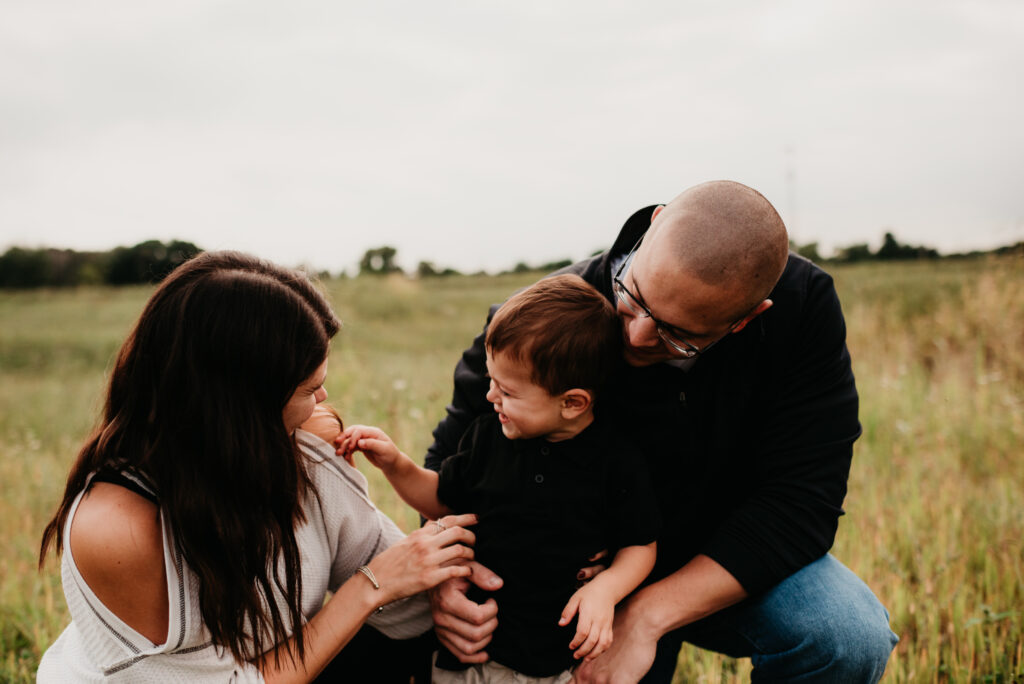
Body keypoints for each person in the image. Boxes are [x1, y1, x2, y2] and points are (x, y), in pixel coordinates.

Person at [425, 181, 899, 682]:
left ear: (746, 319)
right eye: (633, 297)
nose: (634, 337)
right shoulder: (543, 319)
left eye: (679, 336)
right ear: (651, 229)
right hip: (567, 587)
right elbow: (451, 459)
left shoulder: (801, 310)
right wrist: (445, 576)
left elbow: (802, 502)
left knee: (846, 635)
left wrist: (648, 615)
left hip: (727, 565)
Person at [37, 251, 477, 683]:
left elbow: (388, 570)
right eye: (310, 388)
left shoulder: (300, 444)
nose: (323, 401)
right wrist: (369, 587)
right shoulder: (118, 529)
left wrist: (446, 597)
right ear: (241, 408)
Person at [337, 274, 660, 683]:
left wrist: (606, 588)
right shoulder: (489, 436)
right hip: (468, 652)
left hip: (553, 663)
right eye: (491, 381)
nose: (491, 397)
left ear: (572, 402)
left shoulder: (615, 462)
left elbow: (640, 546)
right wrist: (395, 464)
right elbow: (440, 498)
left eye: (507, 391)